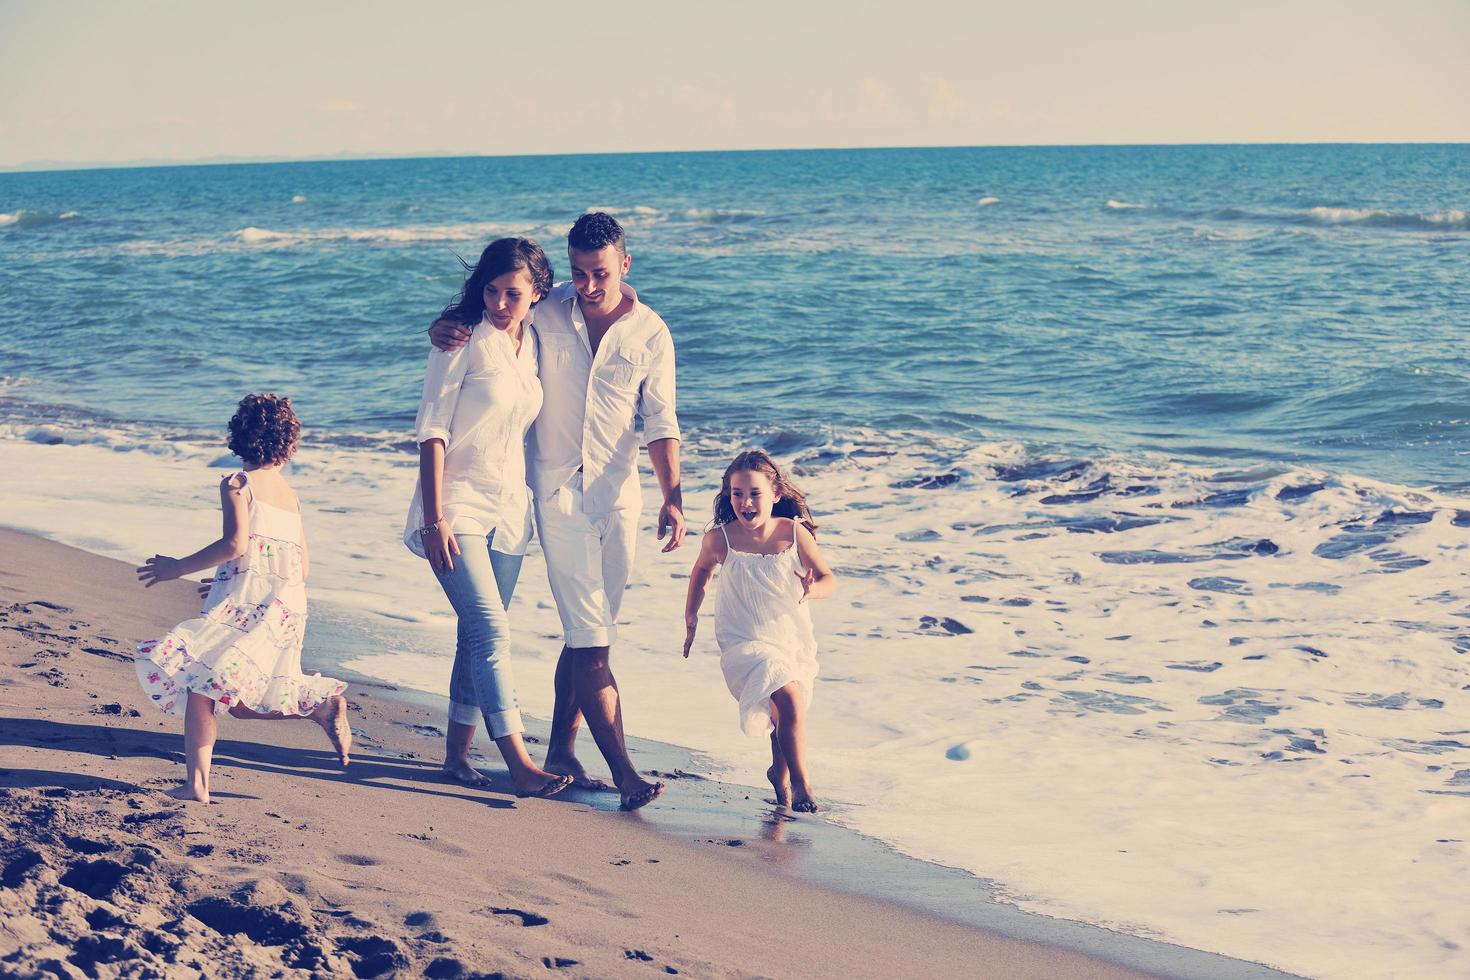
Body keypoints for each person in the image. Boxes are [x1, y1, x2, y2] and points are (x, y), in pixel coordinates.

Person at [430, 212, 683, 811]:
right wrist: (443, 326)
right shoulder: (547, 311)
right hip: (555, 494)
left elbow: (661, 419)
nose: (589, 286)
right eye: (579, 273)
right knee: (590, 636)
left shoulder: (652, 333)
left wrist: (674, 494)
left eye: (600, 273)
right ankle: (624, 774)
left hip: (619, 496)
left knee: (591, 637)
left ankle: (563, 753)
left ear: (626, 263)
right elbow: (492, 311)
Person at [405, 237, 572, 800]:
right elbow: (432, 430)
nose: (501, 303)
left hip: (509, 510)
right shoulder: (460, 340)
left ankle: (455, 757)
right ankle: (519, 761)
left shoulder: (534, 340)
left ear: (536, 294)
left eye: (513, 294)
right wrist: (434, 519)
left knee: (472, 636)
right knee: (492, 630)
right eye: (492, 291)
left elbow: (596, 297)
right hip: (455, 506)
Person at [135, 393, 350, 804]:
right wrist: (233, 584)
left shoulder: (238, 483)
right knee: (237, 697)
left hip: (249, 603)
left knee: (202, 686)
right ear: (289, 444)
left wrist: (176, 568)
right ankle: (318, 708)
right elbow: (299, 567)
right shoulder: (290, 495)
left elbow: (235, 544)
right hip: (285, 605)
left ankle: (197, 786)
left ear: (239, 439)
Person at [681, 450, 837, 814]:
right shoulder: (721, 540)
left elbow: (830, 579)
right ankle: (802, 784)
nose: (745, 502)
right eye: (737, 493)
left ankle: (778, 773)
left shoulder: (794, 535)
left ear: (775, 495)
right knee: (788, 698)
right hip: (742, 641)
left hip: (791, 637)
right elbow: (700, 572)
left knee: (785, 710)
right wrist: (691, 618)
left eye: (754, 493)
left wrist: (813, 589)